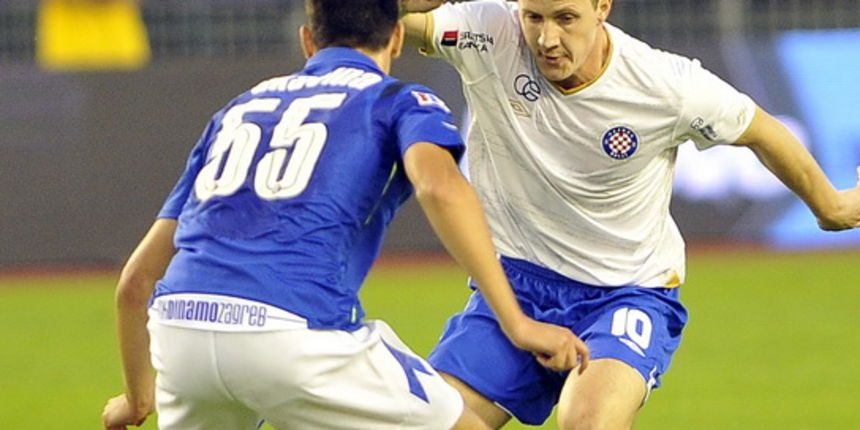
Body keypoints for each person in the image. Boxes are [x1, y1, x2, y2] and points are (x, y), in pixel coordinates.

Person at [100, 0, 590, 429]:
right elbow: (440, 186)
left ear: (307, 40)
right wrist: (518, 324)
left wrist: (140, 399)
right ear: (397, 37)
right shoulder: (398, 101)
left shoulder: (238, 110)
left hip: (180, 336)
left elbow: (136, 281)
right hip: (295, 335)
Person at [400, 0, 860, 429]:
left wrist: (831, 205)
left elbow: (761, 131)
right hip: (516, 286)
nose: (546, 39)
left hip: (625, 293)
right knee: (433, 422)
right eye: (534, 17)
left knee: (587, 420)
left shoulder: (665, 84)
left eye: (565, 18)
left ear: (602, 6)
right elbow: (376, 17)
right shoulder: (488, 32)